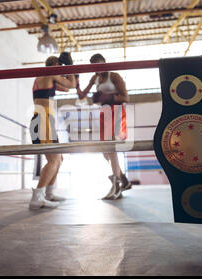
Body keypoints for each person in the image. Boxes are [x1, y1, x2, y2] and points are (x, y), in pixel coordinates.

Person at [76, 53, 132, 200]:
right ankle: (123, 179)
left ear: (105, 62)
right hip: (104, 111)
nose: (97, 68)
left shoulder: (114, 76)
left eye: (99, 64)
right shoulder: (95, 78)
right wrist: (76, 80)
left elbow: (126, 97)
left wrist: (109, 97)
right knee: (105, 151)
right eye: (94, 66)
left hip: (117, 110)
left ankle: (117, 185)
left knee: (110, 146)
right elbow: (82, 96)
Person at [29, 53, 76, 209]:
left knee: (59, 158)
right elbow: (72, 85)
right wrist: (70, 67)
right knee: (53, 160)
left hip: (41, 120)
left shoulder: (41, 78)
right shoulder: (51, 73)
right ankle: (37, 197)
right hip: (43, 120)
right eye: (60, 67)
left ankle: (48, 193)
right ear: (56, 64)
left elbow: (67, 88)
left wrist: (70, 71)